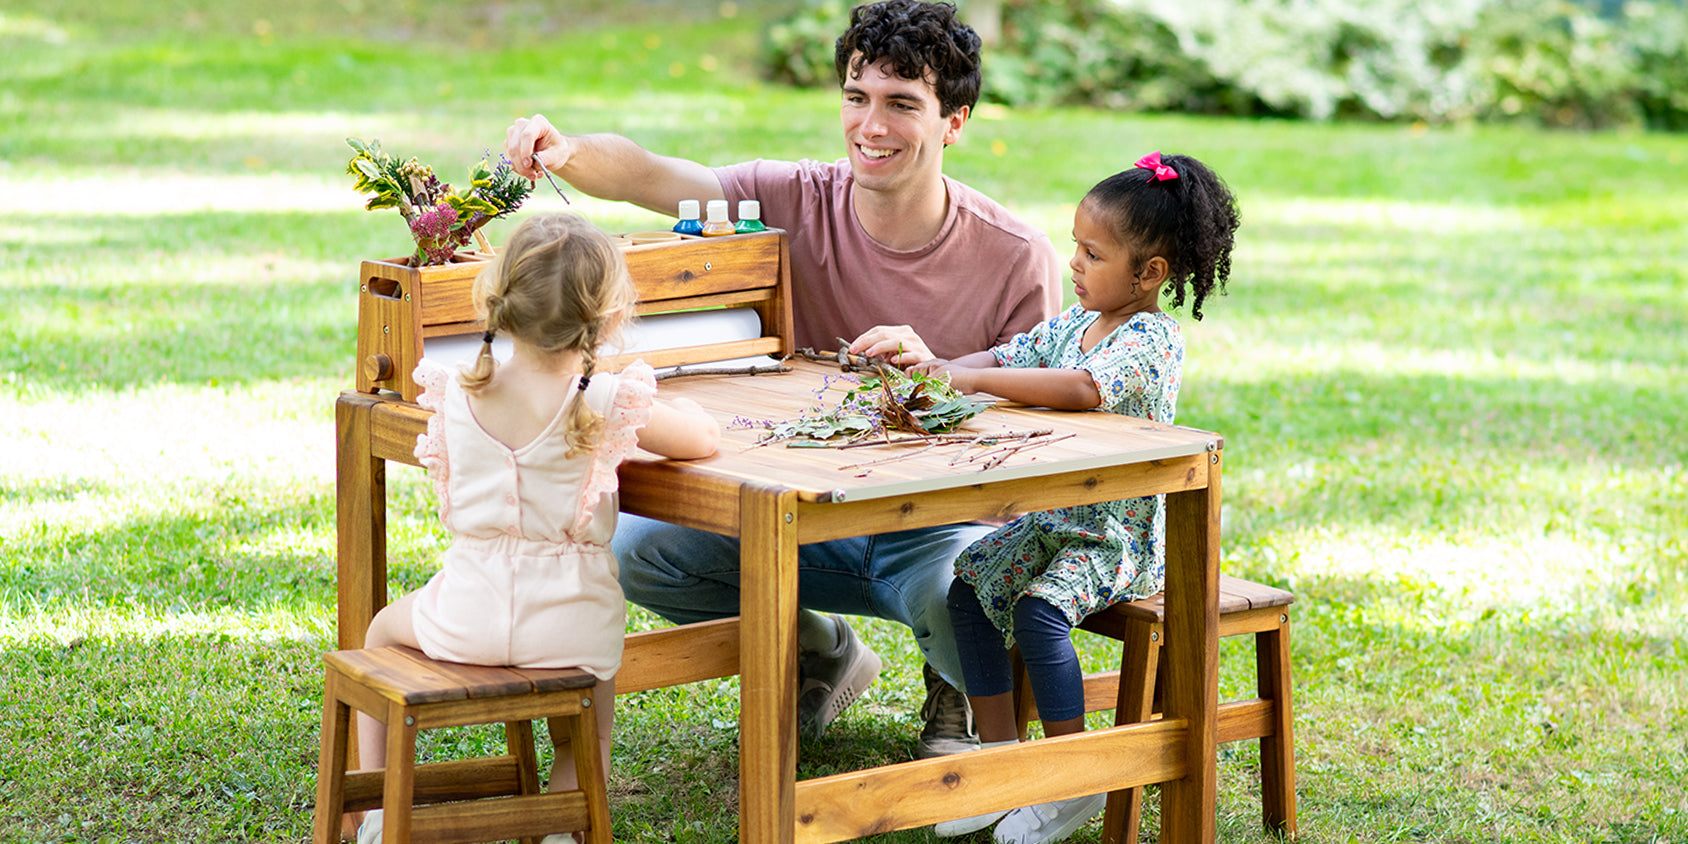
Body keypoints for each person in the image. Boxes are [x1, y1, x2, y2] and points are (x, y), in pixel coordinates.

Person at [503, 0, 1062, 757]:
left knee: (965, 592)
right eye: (857, 97)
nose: (872, 126)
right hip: (800, 519)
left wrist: (941, 374)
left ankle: (954, 693)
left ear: (954, 121)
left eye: (903, 105)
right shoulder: (796, 196)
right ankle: (820, 651)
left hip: (936, 531)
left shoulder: (1015, 256)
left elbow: (1046, 429)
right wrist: (565, 151)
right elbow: (654, 176)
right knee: (637, 547)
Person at [352, 213, 721, 844]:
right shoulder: (603, 400)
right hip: (573, 624)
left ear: (500, 303)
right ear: (606, 320)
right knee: (589, 731)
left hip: (465, 614)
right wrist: (682, 409)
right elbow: (702, 439)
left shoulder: (457, 394)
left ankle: (378, 807)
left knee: (382, 629)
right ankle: (559, 830)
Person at [910, 151, 1240, 843]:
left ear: (1149, 274)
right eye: (1076, 248)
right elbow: (1007, 357)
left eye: (1093, 254)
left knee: (1038, 610)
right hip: (1055, 523)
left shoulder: (1150, 339)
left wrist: (971, 386)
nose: (1076, 265)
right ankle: (1001, 765)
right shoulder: (1072, 325)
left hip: (1118, 537)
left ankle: (1073, 777)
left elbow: (1082, 389)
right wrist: (938, 369)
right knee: (966, 584)